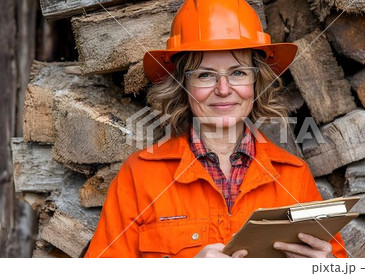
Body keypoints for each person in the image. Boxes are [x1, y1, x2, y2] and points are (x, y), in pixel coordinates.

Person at [84, 0, 347, 258]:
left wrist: (324, 267)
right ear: (182, 86)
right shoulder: (139, 176)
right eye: (205, 75)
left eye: (238, 73)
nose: (223, 89)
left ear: (258, 82)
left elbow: (337, 263)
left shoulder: (293, 177)